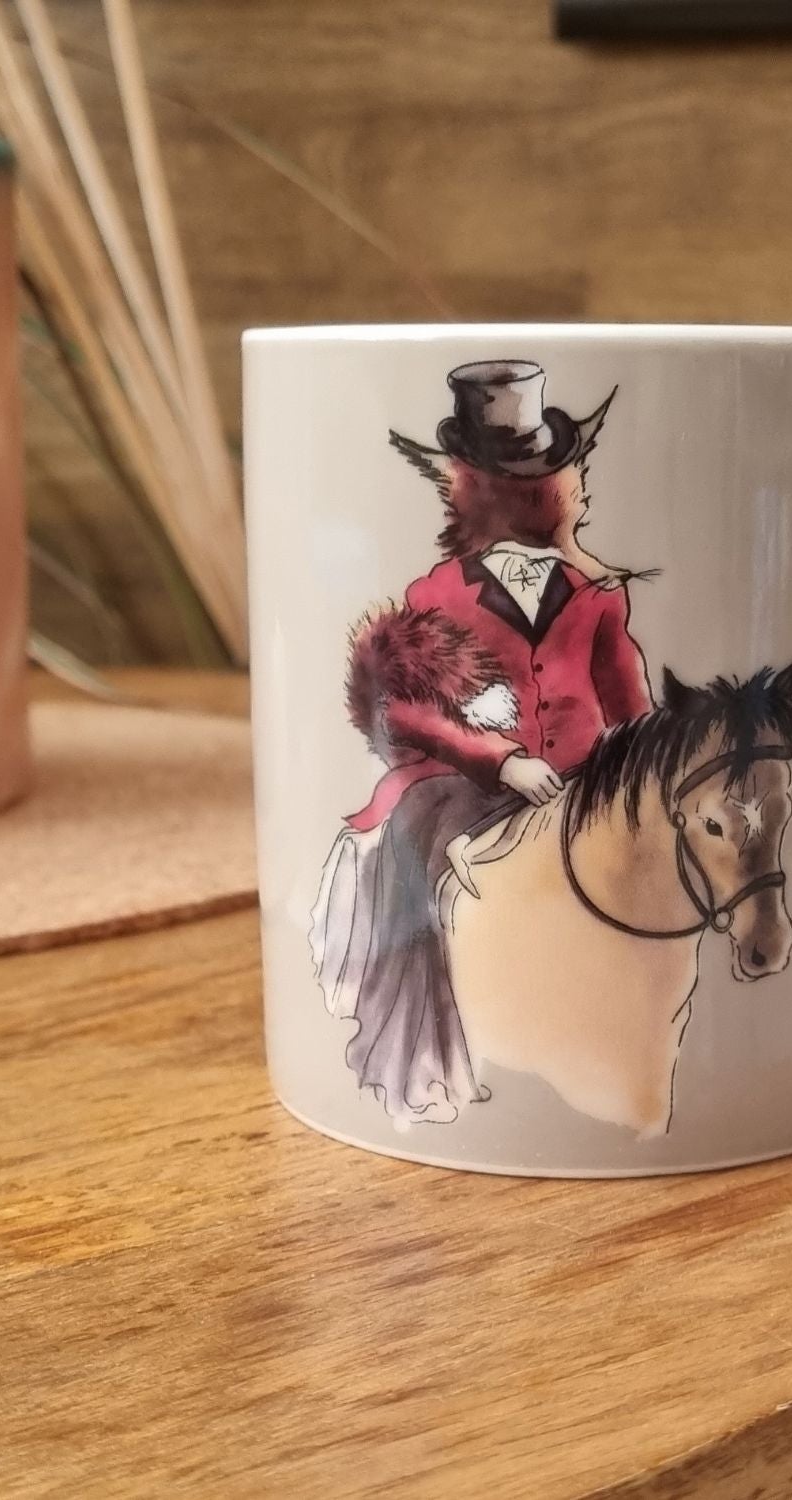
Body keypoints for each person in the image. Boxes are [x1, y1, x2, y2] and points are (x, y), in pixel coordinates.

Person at [310, 360, 652, 1124]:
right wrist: (501, 759)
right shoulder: (438, 594)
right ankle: (432, 1047)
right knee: (428, 875)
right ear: (530, 495)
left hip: (582, 784)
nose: (583, 489)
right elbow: (403, 711)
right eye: (569, 477)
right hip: (466, 787)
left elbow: (629, 704)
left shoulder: (597, 597)